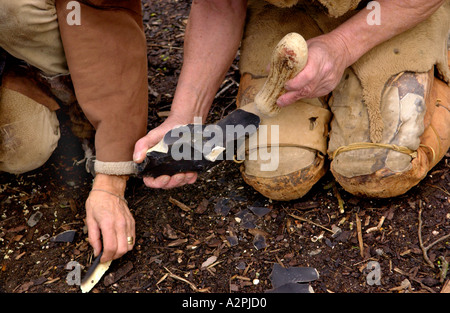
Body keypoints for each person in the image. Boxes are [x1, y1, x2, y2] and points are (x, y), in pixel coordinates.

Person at [134, 0, 449, 200]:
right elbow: (219, 5)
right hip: (285, 11)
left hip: (392, 10)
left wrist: (341, 47)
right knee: (278, 172)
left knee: (378, 168)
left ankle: (437, 74)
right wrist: (185, 116)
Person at [0, 0, 148, 262]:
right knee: (21, 150)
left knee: (10, 9)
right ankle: (27, 72)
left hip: (75, 19)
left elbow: (102, 10)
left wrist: (111, 178)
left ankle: (77, 89)